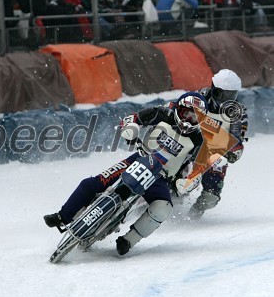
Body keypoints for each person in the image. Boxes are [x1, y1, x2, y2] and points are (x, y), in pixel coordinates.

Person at [44, 92, 210, 255]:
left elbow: (198, 169)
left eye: (194, 117)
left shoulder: (199, 141)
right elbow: (133, 118)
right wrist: (130, 128)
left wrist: (188, 181)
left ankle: (129, 240)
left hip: (162, 178)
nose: (188, 120)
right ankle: (62, 216)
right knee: (92, 183)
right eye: (186, 114)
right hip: (139, 159)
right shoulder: (162, 113)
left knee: (162, 209)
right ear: (179, 109)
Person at [186, 69, 248, 219]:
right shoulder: (198, 97)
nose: (226, 99)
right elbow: (177, 110)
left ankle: (193, 215)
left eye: (231, 95)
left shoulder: (238, 113)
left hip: (212, 151)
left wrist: (234, 149)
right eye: (223, 94)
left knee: (211, 197)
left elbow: (237, 138)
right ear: (214, 89)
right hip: (187, 139)